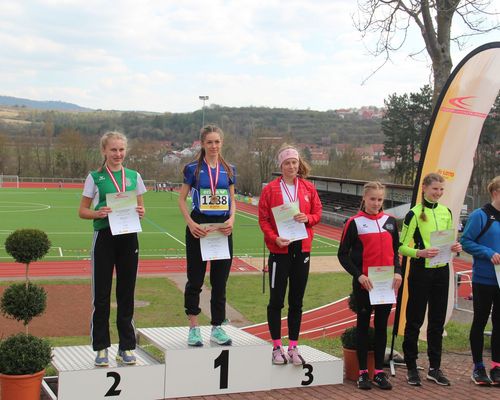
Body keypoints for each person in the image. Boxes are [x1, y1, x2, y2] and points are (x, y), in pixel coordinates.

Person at [78, 131, 146, 366]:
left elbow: (140, 208)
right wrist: (97, 213)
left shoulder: (134, 176)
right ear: (104, 151)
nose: (118, 154)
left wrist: (141, 212)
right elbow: (82, 211)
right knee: (102, 296)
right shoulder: (95, 178)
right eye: (113, 150)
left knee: (127, 294)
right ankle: (101, 348)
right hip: (105, 237)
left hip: (128, 238)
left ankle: (126, 347)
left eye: (121, 150)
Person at [258, 144, 322, 365]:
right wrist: (274, 238)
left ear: (299, 163)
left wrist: (309, 218)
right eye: (287, 163)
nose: (291, 166)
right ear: (281, 165)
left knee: (296, 301)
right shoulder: (270, 189)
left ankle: (293, 347)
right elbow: (264, 219)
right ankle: (277, 347)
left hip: (301, 249)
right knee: (276, 301)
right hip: (279, 250)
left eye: (294, 162)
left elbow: (317, 213)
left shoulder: (307, 188)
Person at [399, 172, 462, 386]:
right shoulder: (414, 214)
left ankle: (435, 367)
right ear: (424, 188)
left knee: (437, 321)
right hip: (420, 271)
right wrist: (420, 253)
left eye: (442, 189)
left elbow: (448, 240)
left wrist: (454, 247)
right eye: (435, 189)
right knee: (415, 320)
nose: (439, 193)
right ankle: (411, 367)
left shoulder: (446, 212)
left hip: (442, 269)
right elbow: (401, 246)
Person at [338, 181, 402, 390]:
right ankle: (363, 373)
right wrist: (359, 276)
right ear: (364, 198)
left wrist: (398, 273)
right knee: (364, 327)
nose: (376, 203)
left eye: (380, 199)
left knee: (383, 327)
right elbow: (343, 255)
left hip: (385, 284)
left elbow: (395, 255)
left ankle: (379, 373)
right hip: (366, 284)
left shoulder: (391, 222)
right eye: (372, 199)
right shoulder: (354, 222)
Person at [178, 124, 236, 347]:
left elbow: (232, 201)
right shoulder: (192, 168)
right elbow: (181, 199)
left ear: (222, 143)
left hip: (222, 228)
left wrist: (231, 220)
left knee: (220, 281)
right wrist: (191, 223)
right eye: (209, 142)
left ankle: (217, 327)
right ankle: (193, 327)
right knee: (195, 279)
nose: (214, 146)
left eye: (217, 142)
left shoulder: (229, 169)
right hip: (199, 227)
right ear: (202, 143)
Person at [460, 176, 500, 386]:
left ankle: (496, 366)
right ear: (495, 193)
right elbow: (465, 241)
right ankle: (478, 367)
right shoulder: (480, 215)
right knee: (480, 321)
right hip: (484, 279)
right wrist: (487, 252)